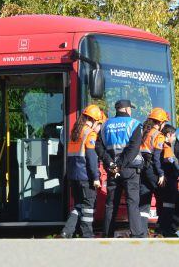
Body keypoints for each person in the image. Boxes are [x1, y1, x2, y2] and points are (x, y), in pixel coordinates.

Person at [97, 99, 146, 238]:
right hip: (130, 170)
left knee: (111, 204)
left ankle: (107, 234)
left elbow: (98, 146)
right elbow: (133, 148)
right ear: (125, 109)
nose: (131, 111)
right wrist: (120, 164)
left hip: (113, 171)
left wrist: (111, 164)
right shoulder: (134, 124)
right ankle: (136, 234)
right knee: (132, 202)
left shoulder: (105, 125)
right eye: (130, 108)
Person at [61, 105, 104, 238]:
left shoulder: (75, 131)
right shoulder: (90, 133)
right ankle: (87, 235)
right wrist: (95, 177)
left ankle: (67, 231)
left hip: (73, 175)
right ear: (95, 120)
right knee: (88, 206)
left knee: (78, 205)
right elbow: (91, 157)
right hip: (85, 176)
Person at [138, 107, 170, 233]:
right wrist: (161, 174)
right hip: (153, 170)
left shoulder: (144, 133)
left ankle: (141, 231)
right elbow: (156, 157)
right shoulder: (159, 136)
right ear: (160, 122)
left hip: (143, 169)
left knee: (144, 202)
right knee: (163, 196)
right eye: (164, 123)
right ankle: (163, 228)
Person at [159, 124, 179, 236]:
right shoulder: (166, 147)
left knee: (169, 205)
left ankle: (167, 228)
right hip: (169, 179)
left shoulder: (165, 145)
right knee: (169, 205)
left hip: (168, 179)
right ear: (168, 135)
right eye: (174, 135)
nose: (175, 138)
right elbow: (173, 162)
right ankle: (167, 229)